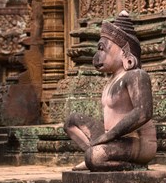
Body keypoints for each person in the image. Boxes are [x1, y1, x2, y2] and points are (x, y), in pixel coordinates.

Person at [64, 11, 157, 171]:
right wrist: (107, 136)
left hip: (137, 141)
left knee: (94, 157)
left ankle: (128, 166)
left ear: (124, 52)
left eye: (102, 48)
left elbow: (143, 112)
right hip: (114, 138)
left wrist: (110, 135)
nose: (98, 55)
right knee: (71, 122)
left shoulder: (136, 75)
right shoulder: (111, 81)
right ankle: (94, 156)